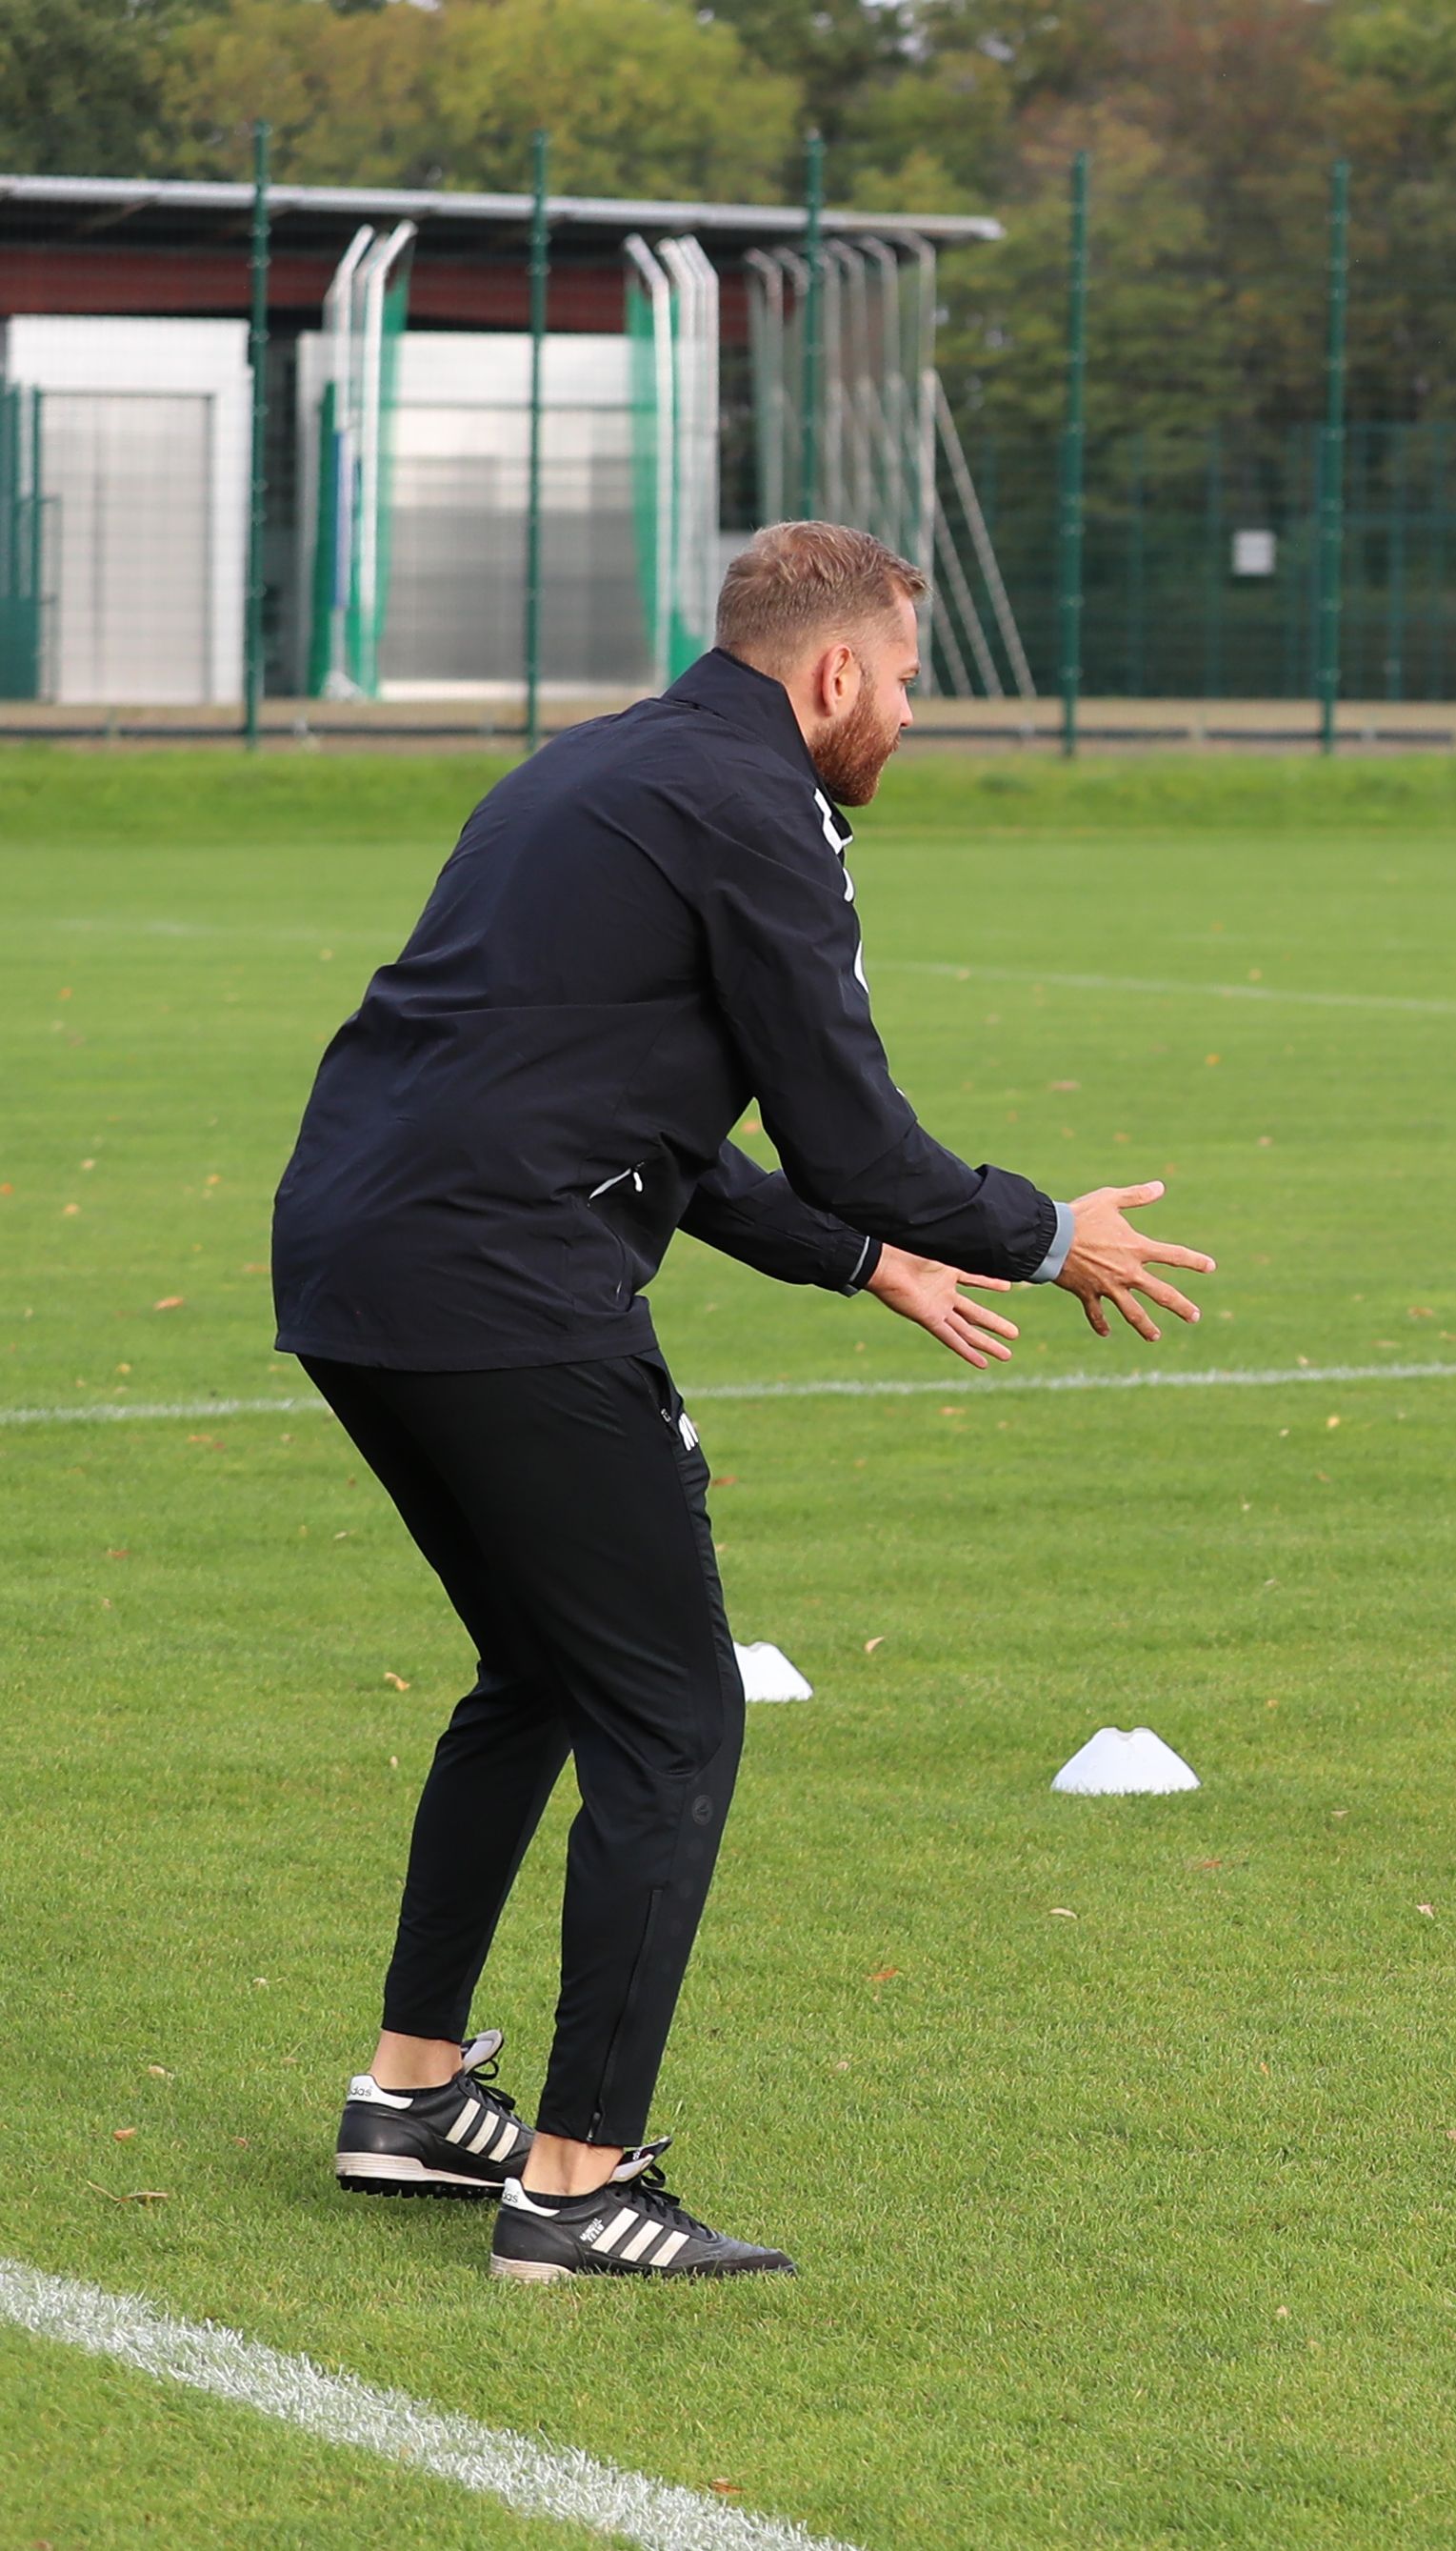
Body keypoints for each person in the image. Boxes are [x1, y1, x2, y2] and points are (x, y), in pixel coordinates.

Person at [275, 522, 1212, 2278]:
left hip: (354, 1262)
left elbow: (638, 1109)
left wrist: (863, 1262)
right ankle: (578, 2182)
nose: (915, 716)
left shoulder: (602, 768)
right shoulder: (762, 809)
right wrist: (1037, 1232)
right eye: (914, 680)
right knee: (677, 1718)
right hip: (504, 1283)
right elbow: (850, 1135)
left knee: (548, 1666)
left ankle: (411, 2097)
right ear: (834, 671)